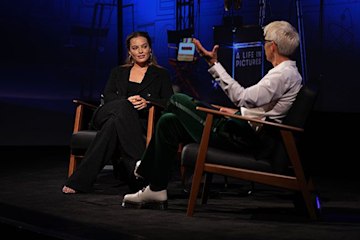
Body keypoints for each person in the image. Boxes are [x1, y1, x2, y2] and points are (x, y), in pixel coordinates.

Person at [121, 20, 303, 209]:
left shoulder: (282, 75)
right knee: (169, 121)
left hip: (242, 137)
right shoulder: (287, 72)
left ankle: (144, 168)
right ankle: (157, 189)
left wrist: (214, 65)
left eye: (264, 41)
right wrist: (237, 112)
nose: (263, 45)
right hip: (243, 128)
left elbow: (242, 97)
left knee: (176, 100)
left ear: (272, 46)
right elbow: (263, 109)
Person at [62, 31, 174, 194]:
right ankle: (142, 172)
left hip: (138, 121)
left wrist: (148, 103)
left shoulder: (161, 74)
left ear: (150, 49)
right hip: (107, 113)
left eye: (144, 47)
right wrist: (127, 101)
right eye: (135, 48)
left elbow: (169, 101)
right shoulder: (118, 72)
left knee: (113, 126)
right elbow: (108, 96)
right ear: (130, 52)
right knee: (123, 107)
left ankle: (79, 181)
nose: (140, 51)